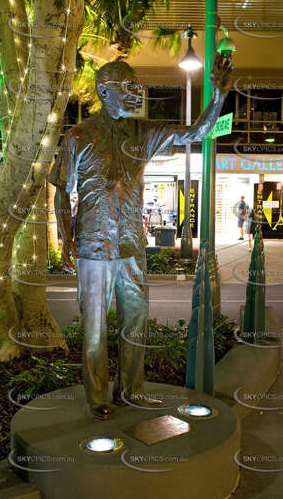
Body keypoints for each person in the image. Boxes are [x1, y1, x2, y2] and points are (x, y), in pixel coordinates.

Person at [50, 54, 233, 420]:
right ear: (104, 91)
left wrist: (218, 96)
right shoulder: (78, 136)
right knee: (94, 329)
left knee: (135, 321)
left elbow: (196, 132)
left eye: (137, 86)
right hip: (93, 247)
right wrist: (65, 236)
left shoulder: (143, 134)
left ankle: (132, 390)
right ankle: (98, 396)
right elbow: (60, 189)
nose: (137, 93)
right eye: (128, 87)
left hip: (132, 246)